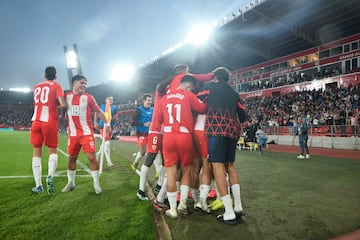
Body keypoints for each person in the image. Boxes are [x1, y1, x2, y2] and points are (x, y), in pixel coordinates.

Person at [158, 75, 207, 219]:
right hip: (184, 136)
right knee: (187, 170)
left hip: (168, 137)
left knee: (171, 172)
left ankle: (173, 209)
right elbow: (203, 108)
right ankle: (183, 203)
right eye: (191, 88)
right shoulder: (188, 95)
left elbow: (160, 118)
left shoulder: (163, 99)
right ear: (188, 86)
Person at [201, 67, 246, 225]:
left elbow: (197, 101)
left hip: (217, 129)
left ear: (215, 77)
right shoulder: (235, 94)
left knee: (217, 167)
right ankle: (238, 206)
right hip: (232, 131)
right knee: (230, 167)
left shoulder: (210, 88)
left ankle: (229, 212)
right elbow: (243, 115)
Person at [62, 75, 111, 194]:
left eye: (85, 83)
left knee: (92, 158)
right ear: (74, 84)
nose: (84, 85)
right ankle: (71, 182)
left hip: (86, 133)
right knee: (72, 158)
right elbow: (62, 106)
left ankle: (96, 183)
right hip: (73, 134)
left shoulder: (88, 97)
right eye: (81, 83)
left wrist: (107, 124)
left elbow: (98, 111)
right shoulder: (66, 96)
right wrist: (63, 114)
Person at [30, 66, 67, 193]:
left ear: (45, 75)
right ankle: (50, 175)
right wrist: (63, 114)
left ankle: (38, 185)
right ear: (55, 76)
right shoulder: (57, 86)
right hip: (49, 122)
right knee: (52, 152)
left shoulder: (36, 87)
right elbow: (62, 104)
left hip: (35, 121)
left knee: (36, 153)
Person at [131, 94, 153, 172]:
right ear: (144, 101)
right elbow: (132, 123)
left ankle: (158, 171)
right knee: (143, 152)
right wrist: (143, 124)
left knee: (153, 151)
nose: (150, 102)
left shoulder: (152, 110)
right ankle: (136, 162)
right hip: (141, 133)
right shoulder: (139, 110)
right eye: (148, 100)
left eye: (151, 100)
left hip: (150, 133)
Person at [94, 95, 117, 167]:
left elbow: (116, 116)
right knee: (107, 143)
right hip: (102, 126)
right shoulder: (102, 106)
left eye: (112, 99)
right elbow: (96, 113)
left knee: (105, 143)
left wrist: (114, 118)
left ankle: (98, 154)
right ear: (106, 100)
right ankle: (108, 161)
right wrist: (95, 122)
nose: (111, 100)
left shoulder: (114, 107)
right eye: (109, 99)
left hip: (110, 126)